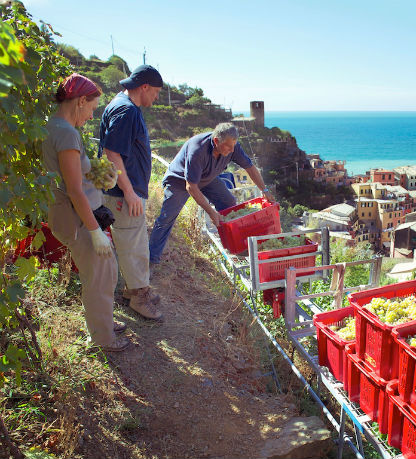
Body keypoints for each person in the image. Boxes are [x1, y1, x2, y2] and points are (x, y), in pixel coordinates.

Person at [42, 73, 129, 352]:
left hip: (75, 215)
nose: (92, 115)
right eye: (92, 108)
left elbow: (75, 176)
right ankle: (102, 338)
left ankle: (102, 321)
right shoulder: (66, 134)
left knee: (106, 270)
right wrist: (95, 232)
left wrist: (101, 176)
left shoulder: (55, 127)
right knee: (99, 276)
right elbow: (74, 190)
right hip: (77, 217)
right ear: (81, 101)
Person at [149, 122, 273, 263]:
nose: (232, 150)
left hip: (207, 178)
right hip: (179, 181)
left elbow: (250, 167)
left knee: (229, 203)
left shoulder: (233, 147)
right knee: (167, 217)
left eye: (234, 146)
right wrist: (211, 212)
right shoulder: (197, 149)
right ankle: (151, 259)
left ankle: (235, 247)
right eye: (228, 146)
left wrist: (265, 190)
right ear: (216, 141)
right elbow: (191, 187)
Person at [98, 65, 163, 321]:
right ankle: (138, 296)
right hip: (123, 192)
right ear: (144, 87)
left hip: (123, 189)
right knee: (133, 243)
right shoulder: (126, 110)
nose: (156, 98)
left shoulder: (123, 106)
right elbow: (112, 153)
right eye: (155, 92)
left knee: (132, 240)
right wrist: (129, 192)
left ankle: (133, 289)